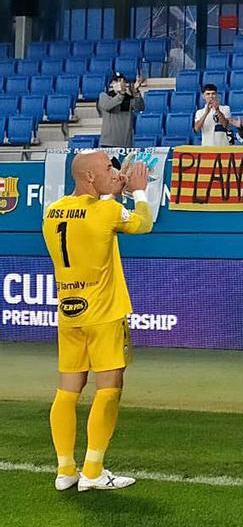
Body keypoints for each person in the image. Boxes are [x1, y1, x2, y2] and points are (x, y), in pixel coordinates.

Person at [43, 152, 153, 492]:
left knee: (67, 390)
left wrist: (110, 194)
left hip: (69, 313)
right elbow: (143, 223)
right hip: (104, 314)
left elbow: (90, 220)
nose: (116, 172)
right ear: (90, 177)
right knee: (109, 388)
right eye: (108, 168)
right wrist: (139, 191)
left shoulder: (53, 211)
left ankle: (65, 470)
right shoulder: (107, 211)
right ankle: (92, 471)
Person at [97, 72, 145, 148]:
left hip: (125, 143)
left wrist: (136, 91)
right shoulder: (104, 95)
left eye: (122, 81)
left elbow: (140, 107)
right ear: (111, 84)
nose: (119, 83)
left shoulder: (128, 98)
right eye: (117, 81)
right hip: (108, 143)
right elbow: (107, 106)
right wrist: (121, 95)